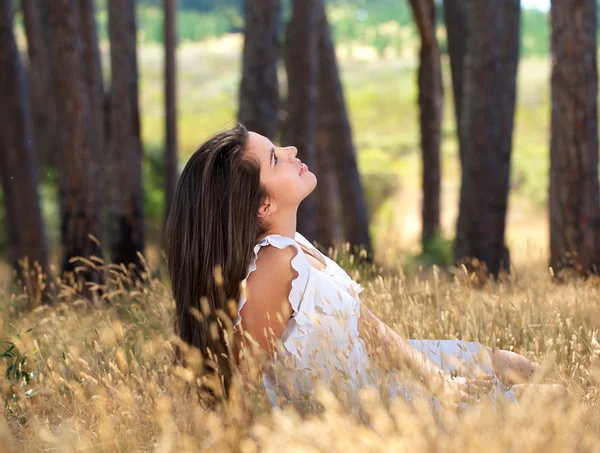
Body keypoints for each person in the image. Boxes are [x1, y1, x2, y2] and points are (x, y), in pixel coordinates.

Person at [165, 125, 540, 411]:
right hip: (370, 403)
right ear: (262, 206)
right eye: (275, 159)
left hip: (383, 366)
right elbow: (242, 391)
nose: (292, 150)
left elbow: (371, 329)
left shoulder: (296, 245)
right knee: (547, 399)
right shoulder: (271, 268)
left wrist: (439, 379)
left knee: (515, 365)